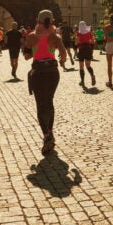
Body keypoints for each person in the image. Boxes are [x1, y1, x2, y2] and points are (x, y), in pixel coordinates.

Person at [22, 10, 68, 155]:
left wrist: (33, 49)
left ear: (38, 21)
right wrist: (61, 60)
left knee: (40, 105)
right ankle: (50, 133)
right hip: (53, 72)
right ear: (52, 21)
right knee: (49, 102)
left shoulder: (31, 36)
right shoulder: (56, 36)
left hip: (38, 72)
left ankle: (47, 135)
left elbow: (27, 56)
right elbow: (64, 54)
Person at [75, 21, 96, 87]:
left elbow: (76, 42)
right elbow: (93, 41)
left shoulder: (78, 33)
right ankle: (92, 75)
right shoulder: (89, 33)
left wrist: (77, 42)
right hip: (88, 49)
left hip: (81, 49)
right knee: (88, 66)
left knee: (81, 67)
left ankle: (82, 81)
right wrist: (88, 41)